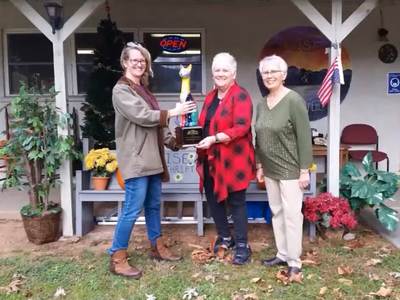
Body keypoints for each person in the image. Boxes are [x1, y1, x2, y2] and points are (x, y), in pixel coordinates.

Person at [108, 42, 196, 279]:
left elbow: (158, 126)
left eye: (143, 60)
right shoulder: (122, 90)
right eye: (134, 60)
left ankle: (157, 248)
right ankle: (117, 257)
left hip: (153, 158)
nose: (139, 63)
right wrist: (176, 111)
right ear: (125, 62)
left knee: (154, 206)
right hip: (137, 160)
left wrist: (176, 141)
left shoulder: (144, 90)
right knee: (132, 209)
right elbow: (144, 117)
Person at [254, 55, 313, 278]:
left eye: (273, 72)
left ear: (284, 75)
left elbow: (304, 137)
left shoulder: (293, 100)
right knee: (277, 212)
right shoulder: (261, 103)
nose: (269, 76)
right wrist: (259, 164)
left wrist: (304, 169)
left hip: (290, 169)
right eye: (265, 73)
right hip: (269, 169)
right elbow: (257, 136)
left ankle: (295, 260)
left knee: (291, 214)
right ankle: (282, 253)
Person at [196, 52, 255, 265]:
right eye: (217, 70)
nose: (220, 74)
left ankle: (241, 245)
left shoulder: (241, 96)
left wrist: (213, 138)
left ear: (234, 73)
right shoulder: (211, 97)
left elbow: (241, 127)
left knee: (237, 201)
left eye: (225, 70)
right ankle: (225, 237)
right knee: (213, 198)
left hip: (234, 158)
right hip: (211, 158)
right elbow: (203, 123)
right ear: (212, 74)